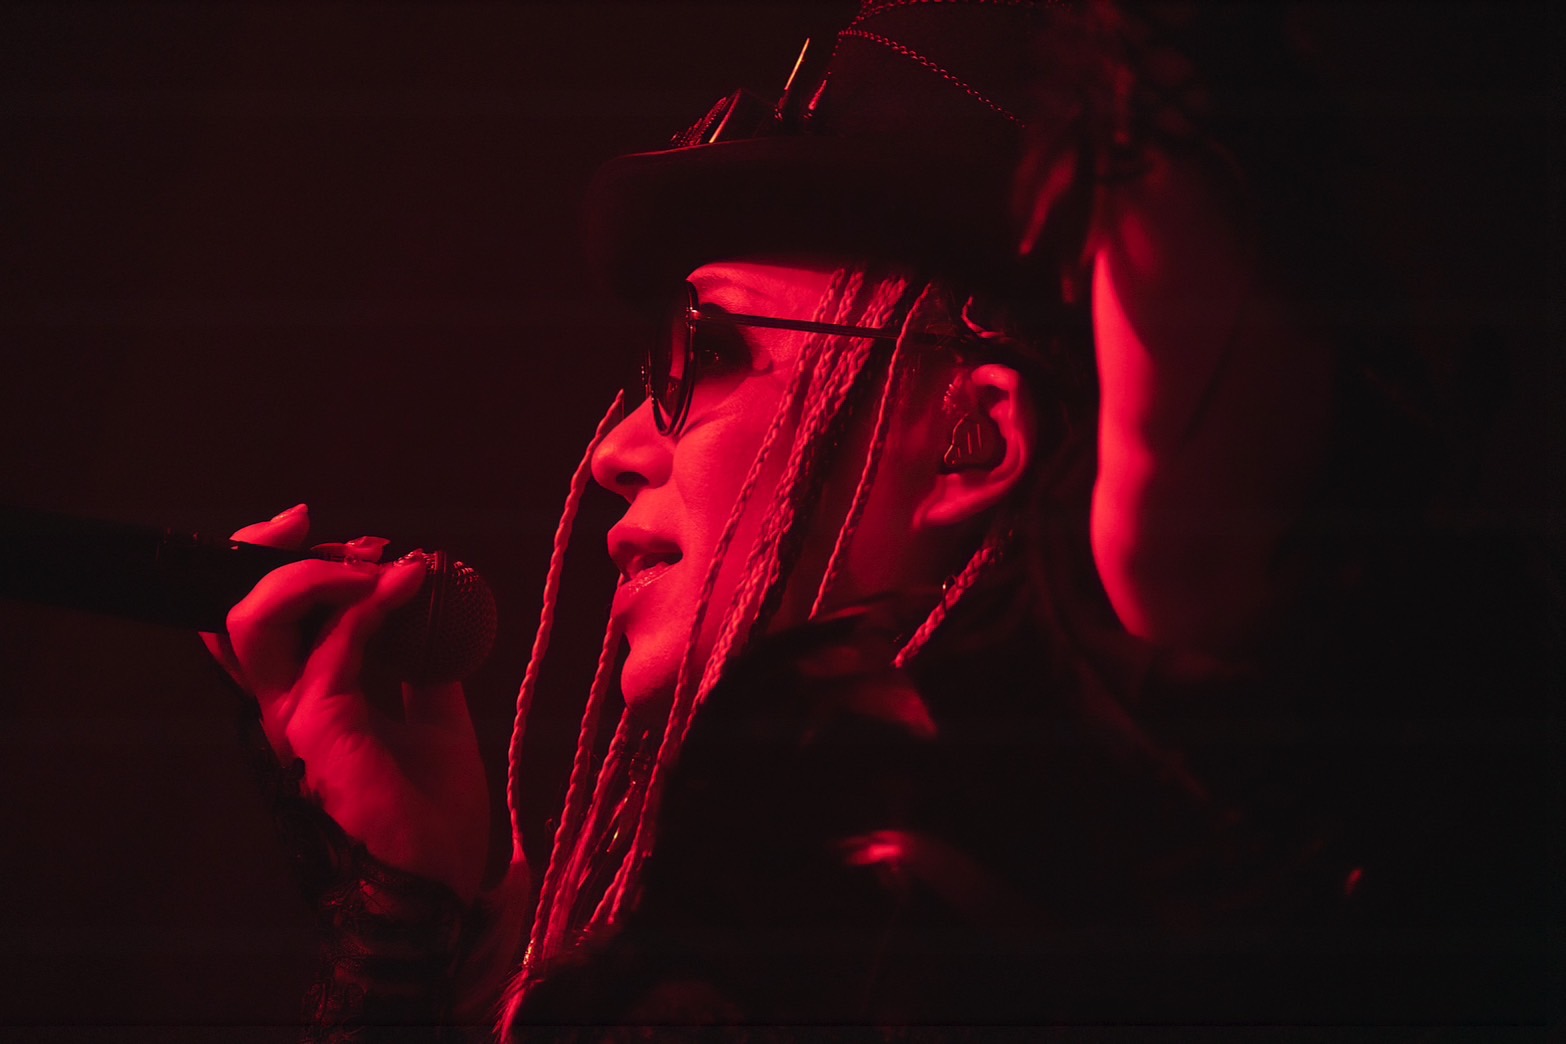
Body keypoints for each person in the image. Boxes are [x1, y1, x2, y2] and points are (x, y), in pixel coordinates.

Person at [208, 1, 1553, 1037]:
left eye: (704, 354)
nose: (616, 448)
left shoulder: (1134, 850)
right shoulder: (739, 911)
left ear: (978, 437)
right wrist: (422, 924)